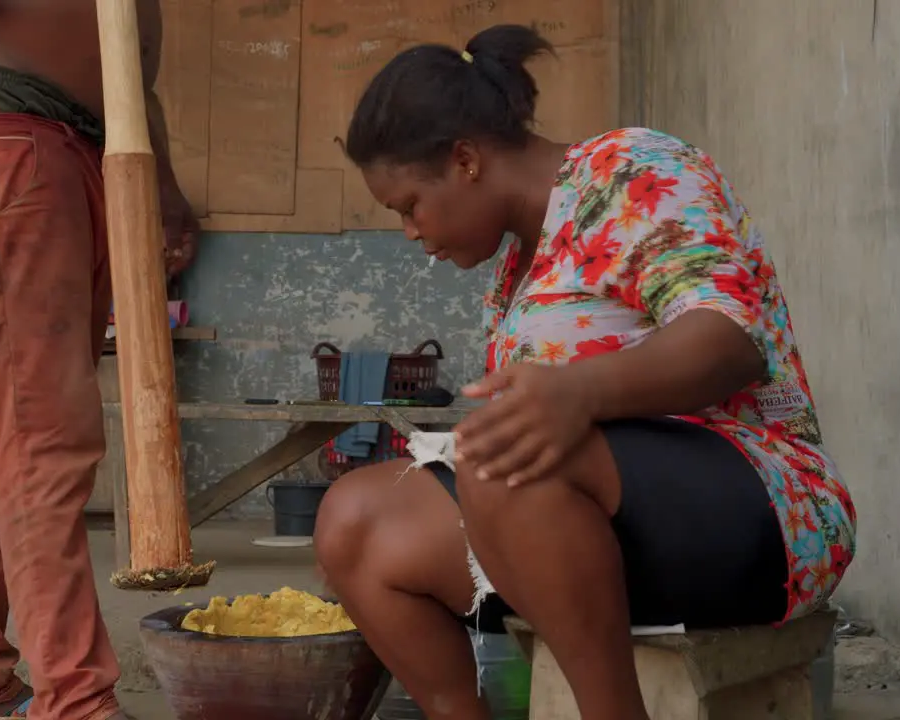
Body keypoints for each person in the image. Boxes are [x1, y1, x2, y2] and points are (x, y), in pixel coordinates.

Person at [314, 23, 857, 720]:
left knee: (513, 453)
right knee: (355, 519)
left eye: (410, 206)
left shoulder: (631, 171)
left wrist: (573, 393)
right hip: (597, 533)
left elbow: (728, 341)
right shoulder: (516, 263)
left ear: (466, 160)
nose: (413, 232)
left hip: (765, 508)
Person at [0, 1, 199, 718]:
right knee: (42, 434)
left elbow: (127, 63)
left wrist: (162, 183)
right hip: (10, 143)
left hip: (79, 149)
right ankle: (76, 698)